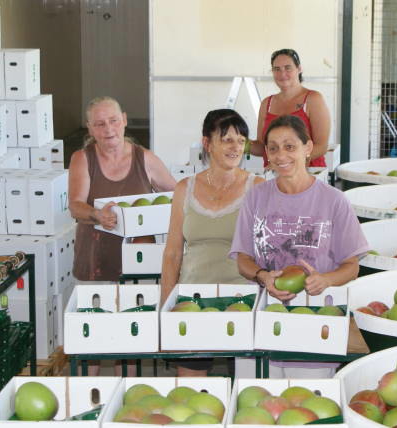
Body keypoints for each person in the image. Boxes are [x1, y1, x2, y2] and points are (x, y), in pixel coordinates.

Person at [230, 115, 369, 378]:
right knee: (256, 401)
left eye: (290, 146)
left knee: (306, 401)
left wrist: (325, 280)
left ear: (308, 148)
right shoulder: (256, 197)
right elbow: (243, 259)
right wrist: (262, 276)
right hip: (262, 326)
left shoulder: (334, 201)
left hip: (315, 326)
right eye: (273, 148)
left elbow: (352, 266)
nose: (281, 155)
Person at [68, 96, 176, 375]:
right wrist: (96, 214)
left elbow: (177, 195)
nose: (108, 129)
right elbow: (76, 205)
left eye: (114, 121)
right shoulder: (83, 159)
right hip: (96, 260)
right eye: (99, 124)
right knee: (90, 334)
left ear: (125, 120)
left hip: (138, 262)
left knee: (129, 335)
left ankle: (125, 392)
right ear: (90, 128)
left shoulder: (145, 159)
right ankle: (86, 395)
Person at [161, 109, 264, 377]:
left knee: (248, 388)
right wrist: (165, 306)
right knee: (190, 391)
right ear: (207, 143)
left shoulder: (257, 187)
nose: (235, 147)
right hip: (193, 301)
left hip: (243, 300)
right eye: (227, 140)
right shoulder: (185, 188)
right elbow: (172, 253)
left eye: (241, 141)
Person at [248, 48, 331, 168]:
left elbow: (321, 146)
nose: (282, 74)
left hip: (308, 173)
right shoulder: (267, 103)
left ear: (299, 69)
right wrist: (240, 143)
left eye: (288, 68)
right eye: (277, 69)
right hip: (274, 174)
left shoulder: (313, 99)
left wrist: (288, 162)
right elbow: (262, 147)